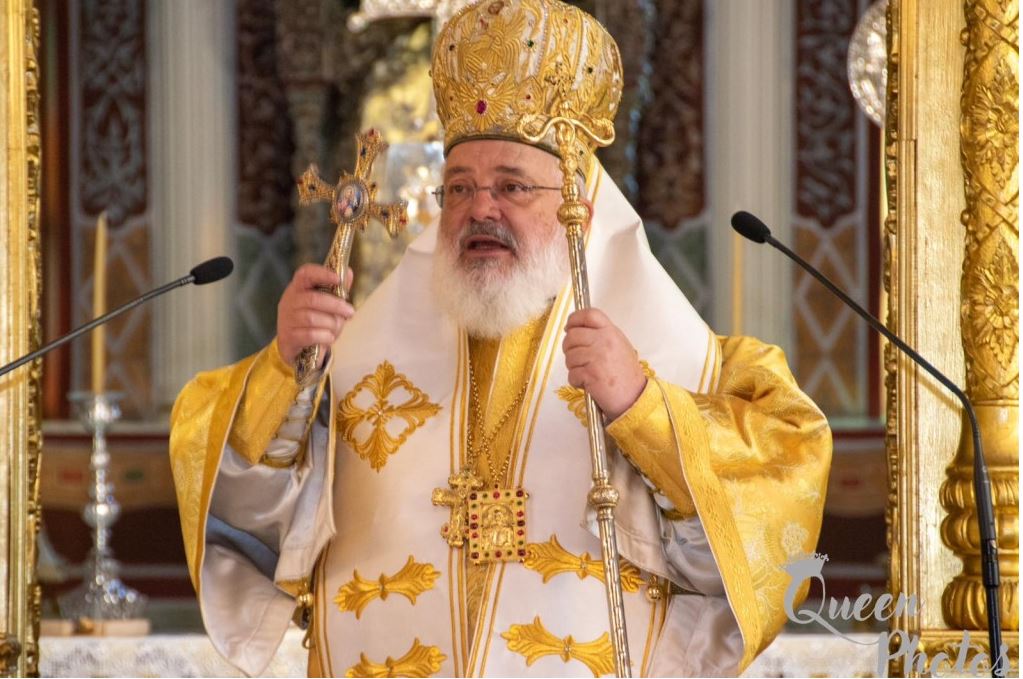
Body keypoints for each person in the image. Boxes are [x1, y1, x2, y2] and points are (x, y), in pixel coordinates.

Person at [169, 1, 832, 676]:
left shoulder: (687, 363)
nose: (479, 209)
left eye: (512, 186)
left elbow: (772, 511)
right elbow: (252, 522)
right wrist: (286, 371)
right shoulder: (357, 358)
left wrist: (644, 408)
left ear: (580, 208)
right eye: (458, 188)